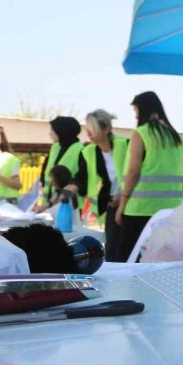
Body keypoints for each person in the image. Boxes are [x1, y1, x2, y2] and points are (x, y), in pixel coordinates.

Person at [114, 92, 183, 262]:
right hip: (170, 210)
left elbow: (133, 171)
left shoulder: (141, 133)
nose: (136, 115)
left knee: (130, 260)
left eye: (136, 111)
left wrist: (122, 203)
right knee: (161, 260)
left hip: (140, 209)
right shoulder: (176, 137)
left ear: (142, 110)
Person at [77, 109, 129, 262]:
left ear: (106, 129)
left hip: (130, 203)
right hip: (111, 206)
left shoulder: (125, 145)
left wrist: (123, 195)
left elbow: (136, 174)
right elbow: (84, 179)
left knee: (127, 250)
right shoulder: (88, 151)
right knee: (113, 250)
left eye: (92, 129)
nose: (88, 133)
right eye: (87, 129)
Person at [39, 116, 84, 209]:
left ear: (62, 131)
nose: (50, 133)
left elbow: (81, 180)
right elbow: (45, 171)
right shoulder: (55, 147)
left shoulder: (81, 150)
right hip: (48, 203)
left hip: (69, 204)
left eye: (52, 130)